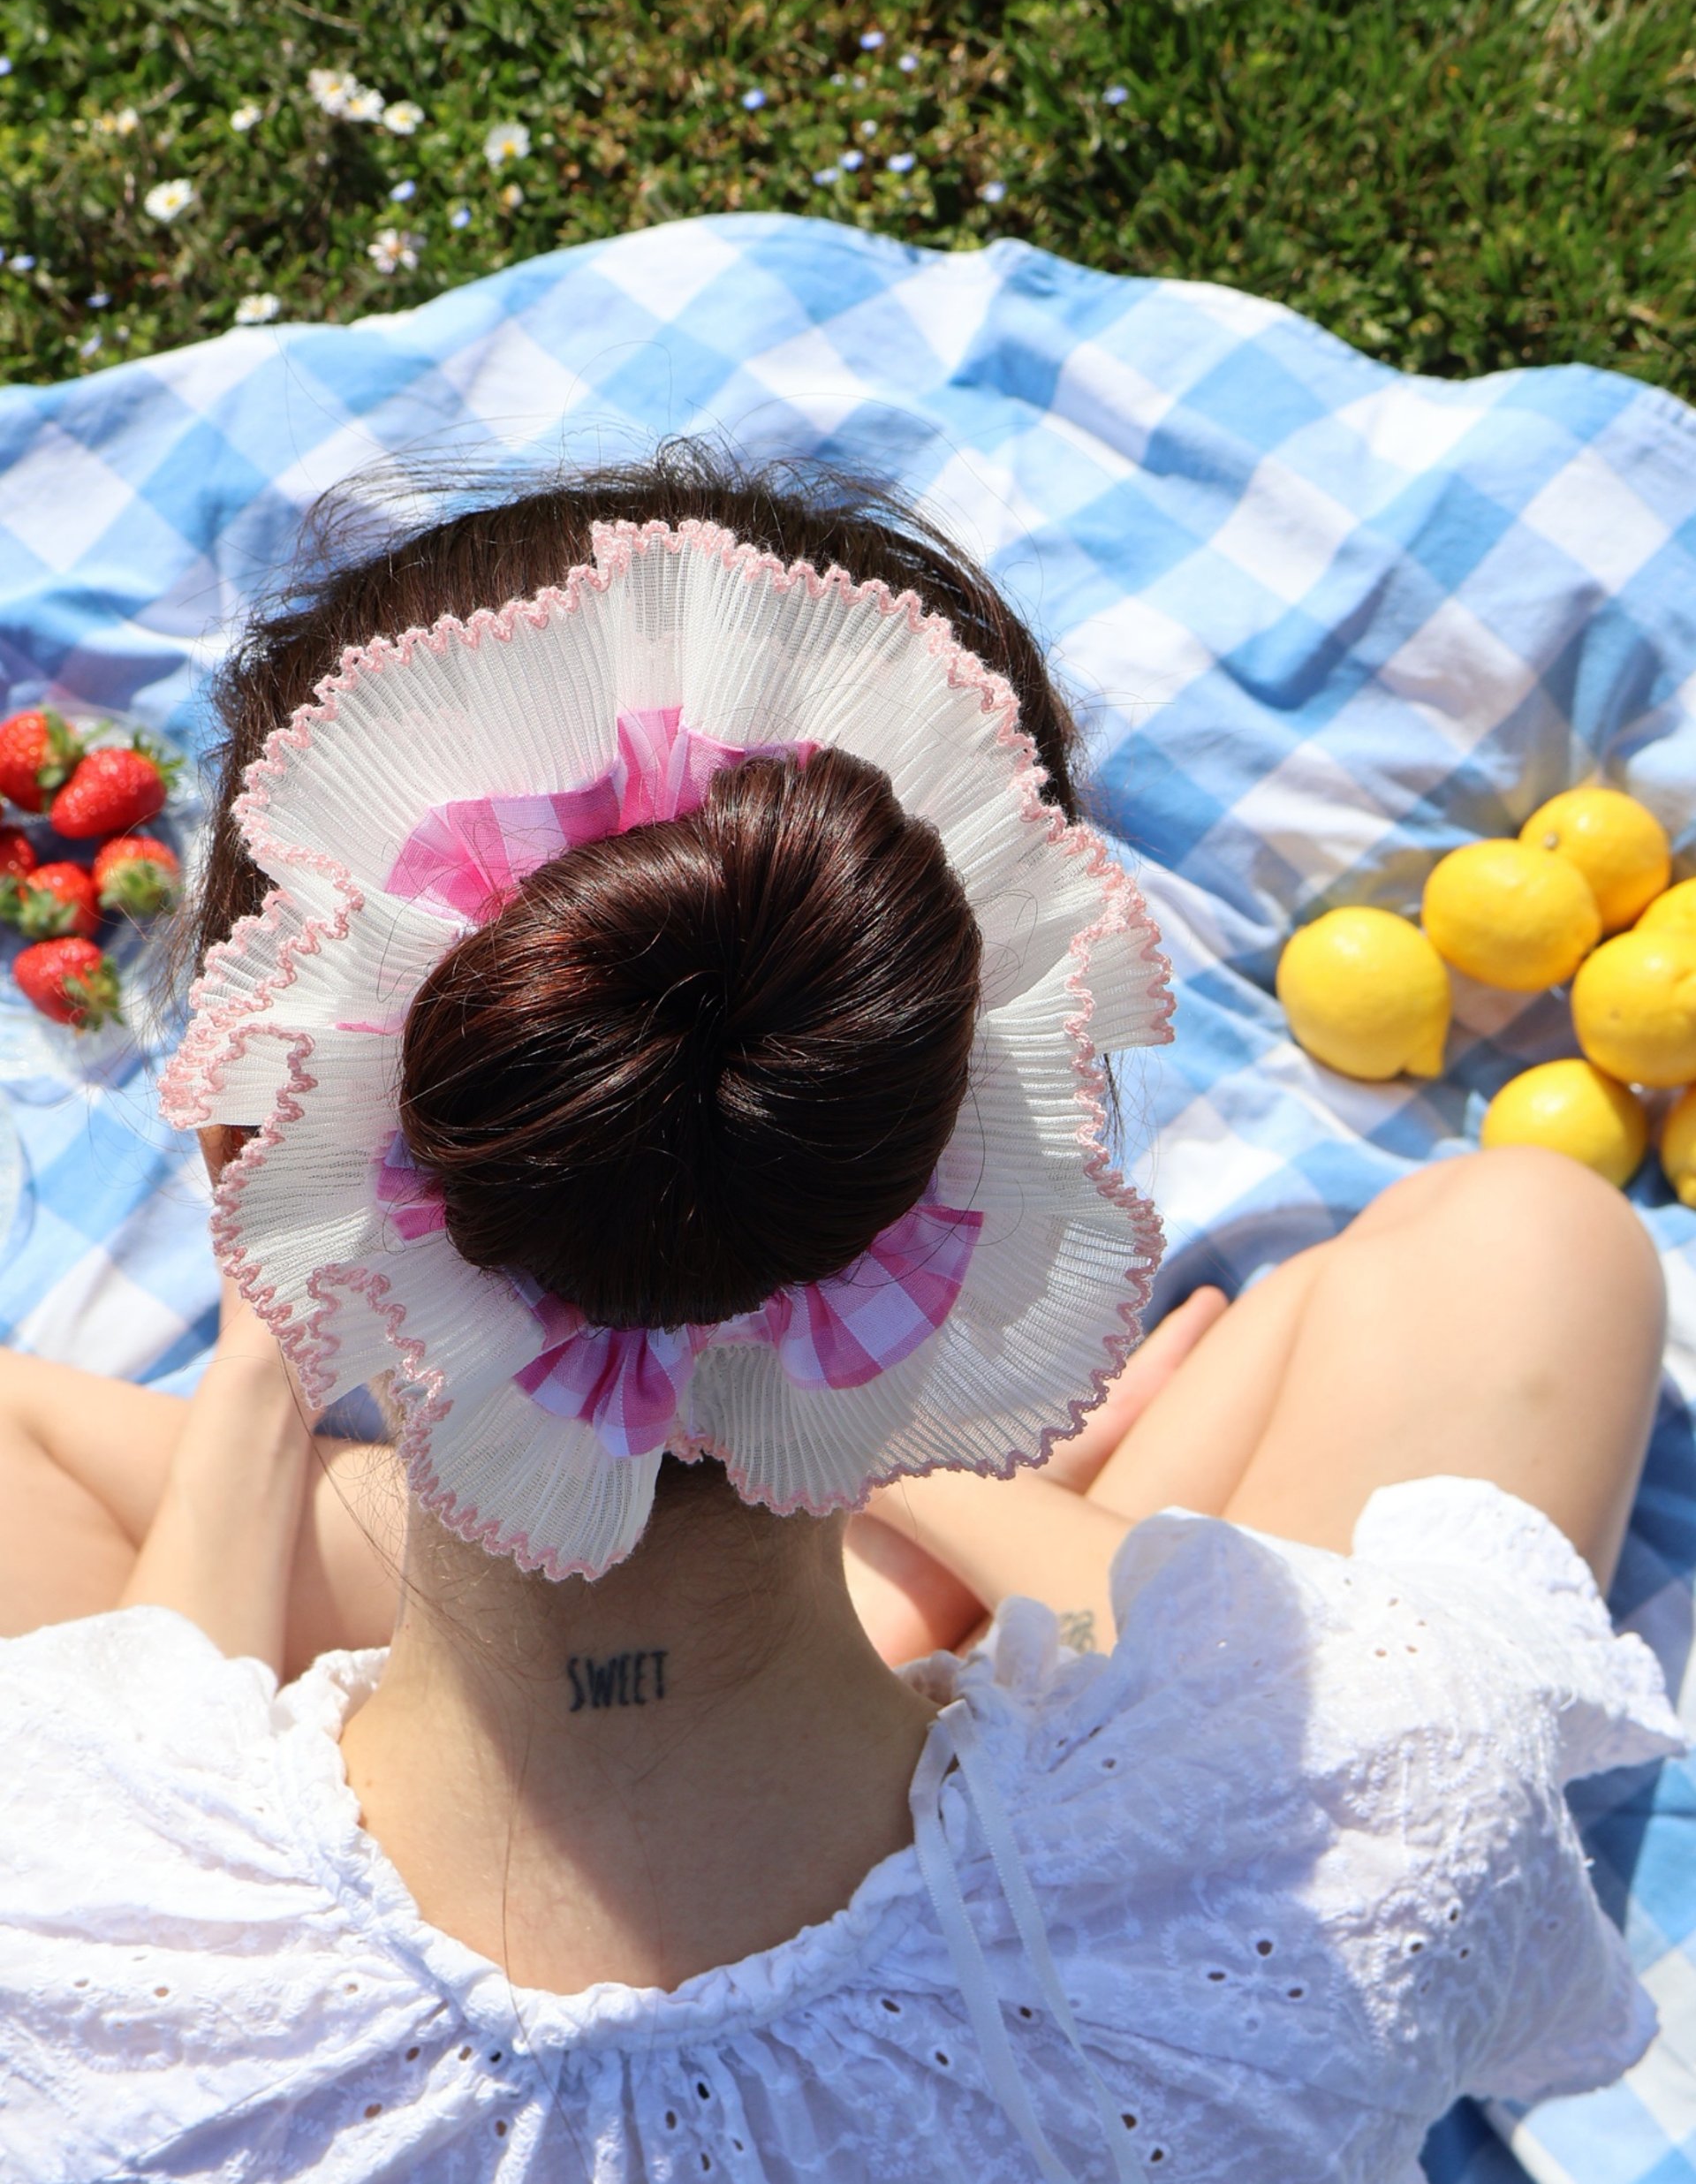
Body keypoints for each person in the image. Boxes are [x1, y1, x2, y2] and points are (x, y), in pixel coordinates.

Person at [0, 446, 1677, 2184]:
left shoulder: (49, 1900)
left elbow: (139, 1730)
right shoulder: (1369, 1820)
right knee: (1537, 1228)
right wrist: (916, 1444)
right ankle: (878, 1583)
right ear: (994, 1169)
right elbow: (1377, 1652)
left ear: (249, 1152)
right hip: (964, 1778)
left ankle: (833, 1601)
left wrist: (268, 1369)